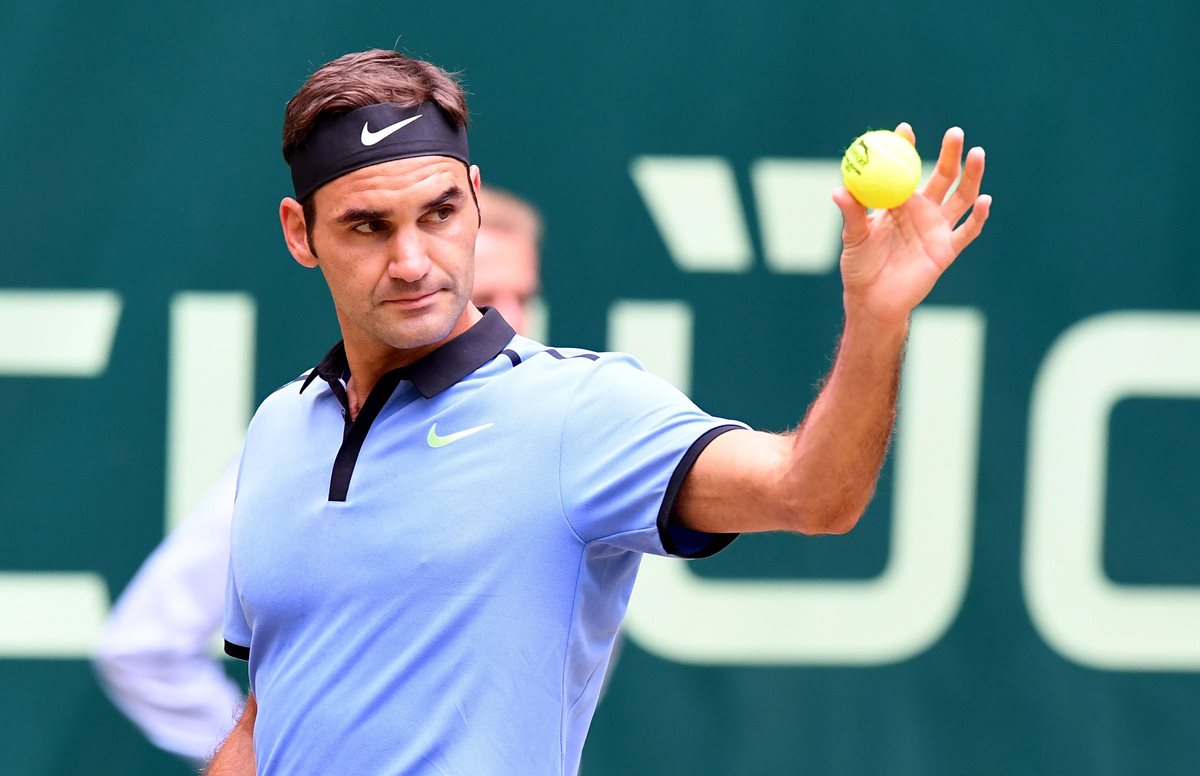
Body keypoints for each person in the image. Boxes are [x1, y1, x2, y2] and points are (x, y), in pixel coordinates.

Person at [210, 49, 990, 776]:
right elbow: (266, 713)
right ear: (299, 233)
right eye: (368, 227)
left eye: (439, 213)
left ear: (477, 201)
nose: (413, 261)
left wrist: (876, 319)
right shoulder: (282, 426)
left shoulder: (578, 412)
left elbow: (809, 493)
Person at [90, 184, 544, 767]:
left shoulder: (569, 437)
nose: (508, 319)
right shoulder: (303, 443)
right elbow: (143, 645)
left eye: (522, 295)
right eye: (486, 295)